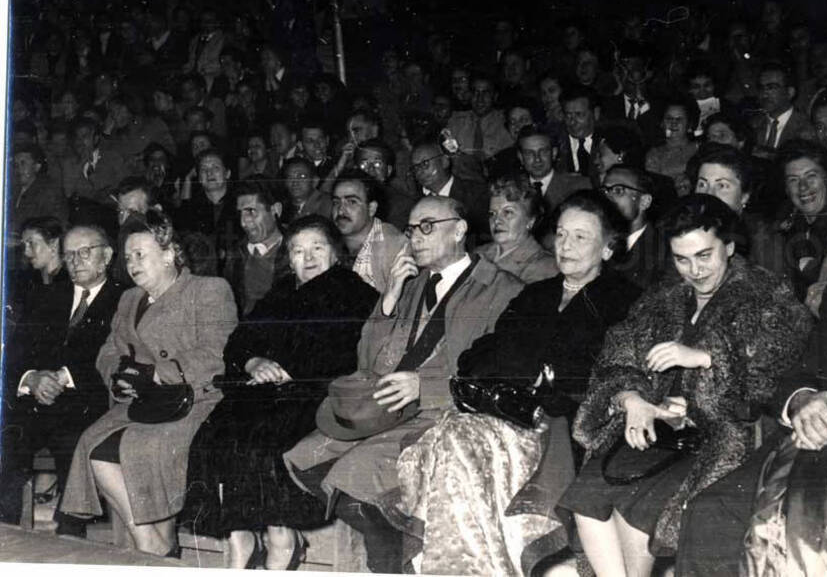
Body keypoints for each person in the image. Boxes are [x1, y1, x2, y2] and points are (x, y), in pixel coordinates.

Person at [560, 194, 812, 577]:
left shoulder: (769, 297)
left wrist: (705, 361)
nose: (694, 270)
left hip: (726, 441)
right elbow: (616, 357)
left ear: (729, 246)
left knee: (637, 505)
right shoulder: (664, 297)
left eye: (704, 256)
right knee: (588, 491)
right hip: (661, 433)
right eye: (682, 259)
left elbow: (774, 382)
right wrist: (634, 400)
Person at [394, 191, 641, 576]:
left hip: (566, 424)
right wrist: (527, 371)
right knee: (450, 441)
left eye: (580, 237)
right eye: (560, 235)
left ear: (607, 249)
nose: (566, 246)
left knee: (457, 444)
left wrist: (531, 372)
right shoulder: (536, 294)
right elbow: (478, 354)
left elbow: (606, 372)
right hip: (507, 410)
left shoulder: (626, 301)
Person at [676, 163, 827, 575]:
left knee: (806, 534)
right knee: (708, 512)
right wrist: (802, 400)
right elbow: (799, 369)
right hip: (804, 437)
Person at [282, 195, 523, 574]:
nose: (416, 237)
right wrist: (390, 298)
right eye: (411, 229)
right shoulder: (412, 284)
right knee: (304, 457)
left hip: (448, 413)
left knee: (356, 483)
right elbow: (368, 362)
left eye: (428, 226)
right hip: (388, 409)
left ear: (459, 230)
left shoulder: (501, 288)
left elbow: (502, 371)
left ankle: (399, 564)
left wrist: (425, 387)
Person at [182, 216, 379, 569]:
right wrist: (254, 361)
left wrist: (293, 371)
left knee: (266, 441)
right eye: (298, 250)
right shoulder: (283, 290)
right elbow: (241, 339)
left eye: (317, 248)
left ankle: (281, 533)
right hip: (267, 388)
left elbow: (348, 353)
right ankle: (240, 533)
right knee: (216, 433)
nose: (308, 257)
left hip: (316, 391)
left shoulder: (357, 293)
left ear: (335, 252)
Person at [59, 210, 238, 555]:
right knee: (91, 446)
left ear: (169, 254)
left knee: (139, 447)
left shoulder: (208, 289)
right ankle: (149, 538)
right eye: (127, 257)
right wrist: (118, 376)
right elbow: (108, 349)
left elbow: (218, 352)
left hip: (192, 400)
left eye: (140, 255)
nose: (131, 264)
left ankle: (155, 542)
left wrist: (158, 372)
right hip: (142, 401)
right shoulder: (129, 299)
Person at [0, 225, 124, 536]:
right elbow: (14, 354)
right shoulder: (45, 296)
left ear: (107, 256)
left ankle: (71, 536)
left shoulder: (124, 299)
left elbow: (118, 359)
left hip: (86, 403)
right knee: (7, 437)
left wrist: (62, 377)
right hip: (36, 401)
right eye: (69, 255)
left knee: (75, 441)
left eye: (85, 252)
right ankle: (6, 532)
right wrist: (33, 378)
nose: (76, 261)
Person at [692, 144, 785, 275]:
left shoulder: (763, 239)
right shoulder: (686, 229)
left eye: (722, 185)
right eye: (702, 184)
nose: (709, 194)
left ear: (744, 197)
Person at [774, 140, 827, 300]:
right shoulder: (782, 227)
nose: (803, 187)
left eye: (811, 176)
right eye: (793, 180)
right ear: (786, 189)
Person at [222, 178, 291, 317]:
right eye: (240, 213)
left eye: (251, 211)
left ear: (275, 210)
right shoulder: (235, 253)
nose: (243, 222)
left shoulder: (295, 251)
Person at [332, 169, 408, 294]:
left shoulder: (393, 246)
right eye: (336, 202)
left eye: (352, 202)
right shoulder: (329, 243)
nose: (340, 210)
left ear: (371, 209)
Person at [475, 172, 558, 283]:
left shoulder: (546, 266)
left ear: (531, 220)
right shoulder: (478, 254)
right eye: (492, 213)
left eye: (508, 212)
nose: (497, 220)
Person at [409, 141, 490, 245]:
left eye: (425, 164)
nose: (419, 172)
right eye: (415, 168)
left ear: (444, 161)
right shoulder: (416, 204)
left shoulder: (475, 194)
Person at [600, 165, 668, 291]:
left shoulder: (661, 251)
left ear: (644, 202)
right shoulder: (594, 239)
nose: (608, 198)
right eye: (604, 191)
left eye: (618, 191)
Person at [517, 125, 590, 212]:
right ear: (520, 157)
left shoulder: (578, 186)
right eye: (529, 153)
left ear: (554, 153)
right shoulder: (514, 189)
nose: (537, 159)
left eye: (543, 151)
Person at [750, 62, 815, 158]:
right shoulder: (753, 125)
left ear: (790, 92)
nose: (764, 94)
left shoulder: (807, 127)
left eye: (772, 87)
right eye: (761, 88)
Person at [644, 96, 701, 195]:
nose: (673, 123)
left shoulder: (700, 149)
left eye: (679, 119)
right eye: (669, 118)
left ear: (689, 125)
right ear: (662, 123)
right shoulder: (654, 154)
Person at [355, 142, 416, 230]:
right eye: (364, 165)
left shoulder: (402, 205)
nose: (370, 169)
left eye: (377, 164)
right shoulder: (345, 200)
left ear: (388, 171)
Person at [10, 143, 68, 235]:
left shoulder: (49, 191)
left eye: (23, 163)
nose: (18, 169)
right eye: (16, 165)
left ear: (37, 166)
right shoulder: (12, 189)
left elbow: (55, 228)